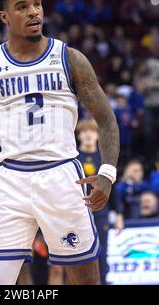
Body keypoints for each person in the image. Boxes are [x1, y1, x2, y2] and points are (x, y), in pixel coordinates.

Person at [0, 0, 119, 285]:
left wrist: (107, 172)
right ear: (4, 16)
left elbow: (107, 119)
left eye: (38, 4)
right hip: (11, 180)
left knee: (86, 280)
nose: (34, 12)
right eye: (22, 6)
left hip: (62, 177)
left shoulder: (69, 59)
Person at [76, 119, 121, 285]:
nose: (88, 134)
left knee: (102, 252)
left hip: (101, 212)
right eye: (84, 131)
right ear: (78, 135)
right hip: (78, 212)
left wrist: (119, 214)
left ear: (98, 134)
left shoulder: (104, 158)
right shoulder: (72, 157)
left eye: (92, 131)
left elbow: (113, 187)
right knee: (78, 254)